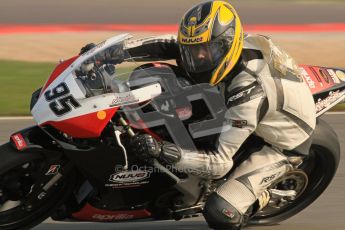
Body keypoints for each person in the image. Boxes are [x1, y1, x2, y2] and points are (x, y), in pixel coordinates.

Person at [81, 1, 316, 229]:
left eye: (206, 50)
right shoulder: (220, 46)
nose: (197, 58)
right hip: (243, 100)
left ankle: (260, 197)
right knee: (151, 77)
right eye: (192, 49)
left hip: (279, 144)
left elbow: (219, 163)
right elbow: (169, 44)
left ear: (226, 45)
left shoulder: (247, 93)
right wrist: (110, 53)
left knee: (221, 213)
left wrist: (162, 150)